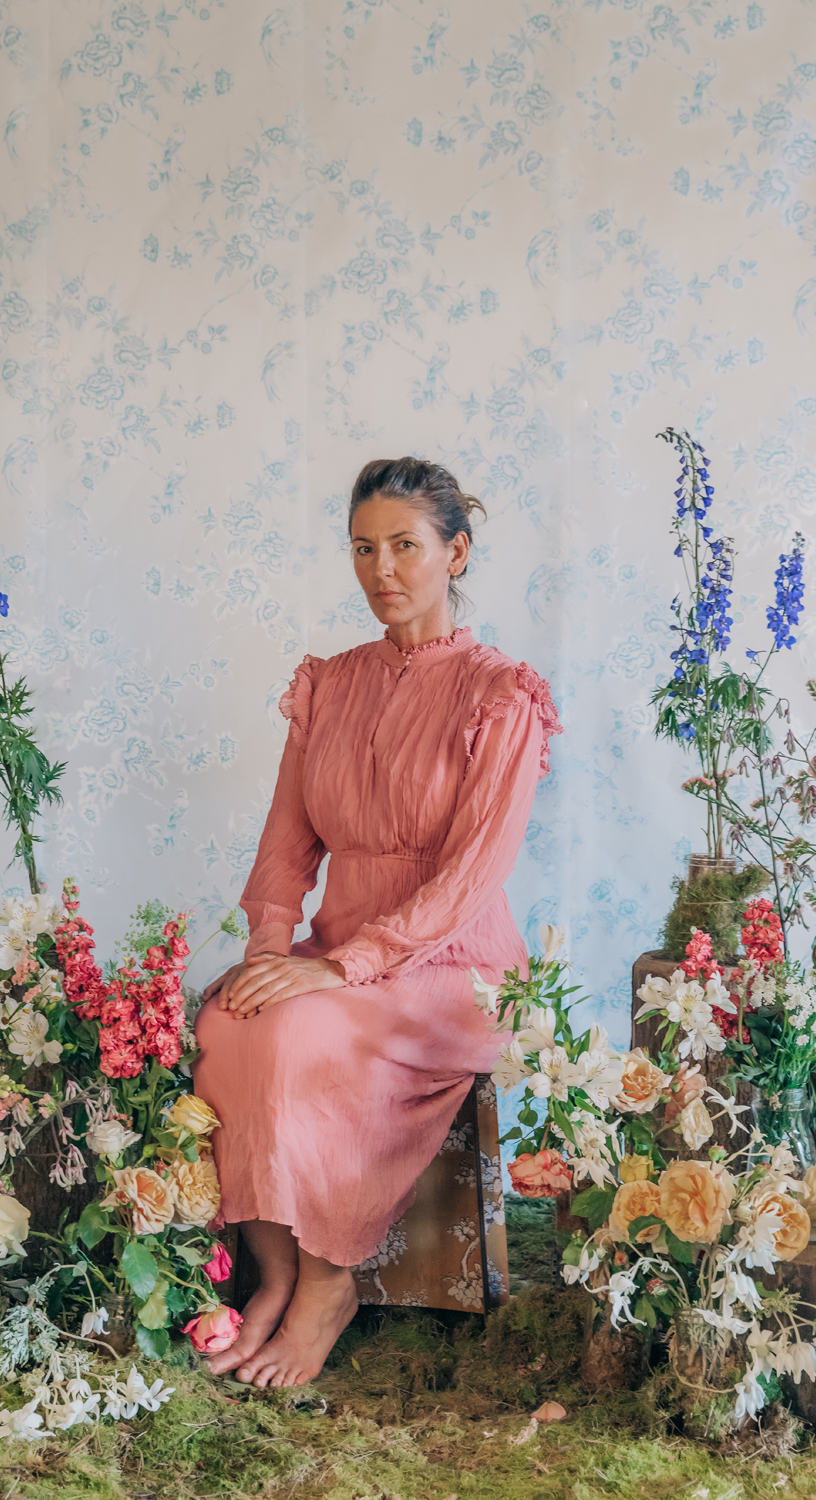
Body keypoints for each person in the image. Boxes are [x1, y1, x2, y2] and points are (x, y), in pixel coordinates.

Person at [193, 457, 561, 1388]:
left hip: (456, 966)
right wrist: (274, 953)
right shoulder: (329, 684)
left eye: (405, 545)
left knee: (302, 1030)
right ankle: (271, 1278)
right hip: (340, 954)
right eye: (364, 549)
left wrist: (343, 967)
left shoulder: (500, 693)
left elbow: (474, 873)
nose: (381, 570)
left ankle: (328, 1287)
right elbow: (285, 845)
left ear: (456, 552)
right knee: (228, 1018)